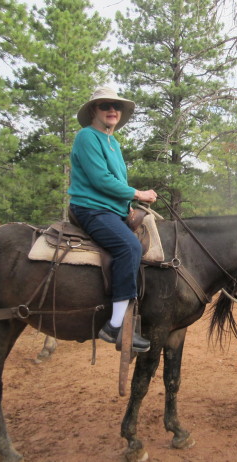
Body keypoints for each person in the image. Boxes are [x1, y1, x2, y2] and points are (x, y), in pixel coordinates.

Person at [68, 86, 157, 353]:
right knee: (128, 246)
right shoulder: (87, 137)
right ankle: (114, 326)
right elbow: (100, 180)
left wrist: (128, 204)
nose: (112, 110)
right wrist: (137, 193)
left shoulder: (113, 142)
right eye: (105, 105)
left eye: (116, 107)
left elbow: (116, 181)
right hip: (91, 209)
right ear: (94, 110)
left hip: (112, 210)